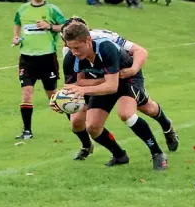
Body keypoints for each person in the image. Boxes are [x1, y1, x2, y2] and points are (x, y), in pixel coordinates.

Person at [52, 17, 179, 160]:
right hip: (101, 83)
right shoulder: (70, 54)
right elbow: (74, 85)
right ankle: (119, 156)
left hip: (127, 78)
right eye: (69, 46)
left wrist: (133, 69)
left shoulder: (105, 42)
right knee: (92, 126)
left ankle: (160, 146)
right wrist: (59, 100)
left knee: (135, 111)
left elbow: (139, 52)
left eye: (76, 48)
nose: (73, 51)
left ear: (87, 37)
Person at [12, 0, 67, 140]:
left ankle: (75, 121)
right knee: (27, 93)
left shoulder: (52, 10)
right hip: (27, 59)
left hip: (47, 58)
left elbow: (65, 27)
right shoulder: (22, 9)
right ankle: (27, 131)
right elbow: (17, 23)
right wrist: (16, 36)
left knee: (52, 96)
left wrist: (49, 26)